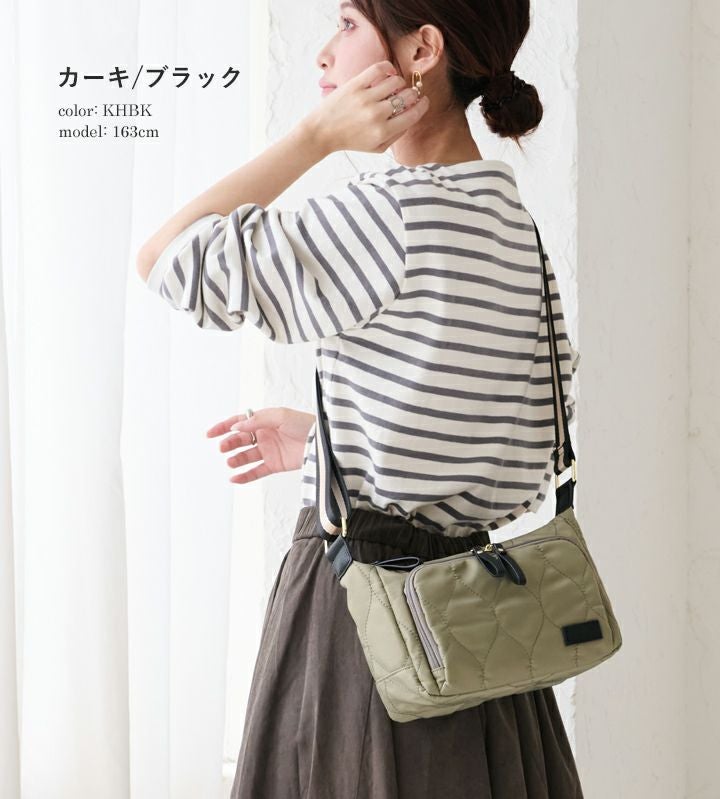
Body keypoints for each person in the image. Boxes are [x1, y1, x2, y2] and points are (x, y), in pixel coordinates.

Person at [137, 0, 584, 796]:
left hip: (366, 630)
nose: (323, 53)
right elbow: (523, 450)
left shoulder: (391, 213)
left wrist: (314, 138)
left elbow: (169, 258)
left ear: (423, 50)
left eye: (346, 24)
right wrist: (328, 442)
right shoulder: (514, 226)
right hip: (482, 641)